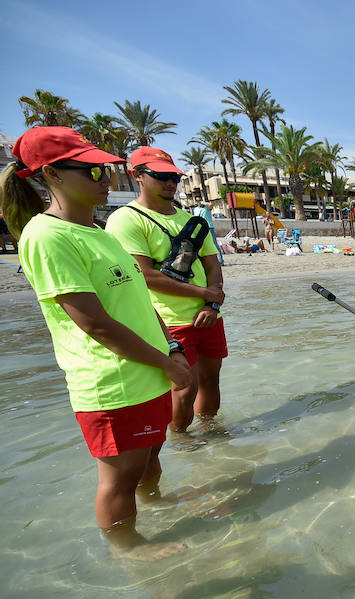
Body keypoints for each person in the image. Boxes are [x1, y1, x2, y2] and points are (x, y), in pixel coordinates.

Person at [1, 127, 191, 558]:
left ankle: (158, 507)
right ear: (52, 174)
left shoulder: (102, 232)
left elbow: (140, 302)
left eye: (107, 169)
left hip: (148, 372)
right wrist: (166, 364)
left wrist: (171, 349)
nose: (107, 180)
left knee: (147, 460)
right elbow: (95, 324)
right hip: (112, 383)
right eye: (92, 170)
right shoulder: (47, 236)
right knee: (119, 478)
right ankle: (129, 550)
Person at [106, 147, 228, 434]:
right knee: (184, 388)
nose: (170, 182)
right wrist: (205, 295)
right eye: (161, 176)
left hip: (209, 315)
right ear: (137, 175)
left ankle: (210, 435)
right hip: (168, 321)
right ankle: (182, 443)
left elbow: (213, 264)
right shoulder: (127, 219)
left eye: (174, 176)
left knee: (211, 380)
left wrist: (213, 305)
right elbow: (144, 275)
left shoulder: (189, 219)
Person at [192, 200, 224, 265]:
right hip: (199, 228)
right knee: (200, 244)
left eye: (199, 200)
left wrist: (203, 202)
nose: (199, 202)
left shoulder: (207, 208)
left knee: (214, 243)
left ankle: (220, 260)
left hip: (209, 227)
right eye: (197, 201)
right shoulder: (195, 209)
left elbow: (211, 205)